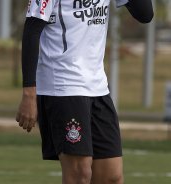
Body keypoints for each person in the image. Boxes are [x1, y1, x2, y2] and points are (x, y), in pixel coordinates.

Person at [16, 0, 153, 183]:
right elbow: (32, 31)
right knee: (79, 174)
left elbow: (145, 14)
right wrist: (29, 94)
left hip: (97, 87)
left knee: (111, 177)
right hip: (63, 85)